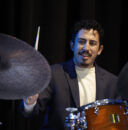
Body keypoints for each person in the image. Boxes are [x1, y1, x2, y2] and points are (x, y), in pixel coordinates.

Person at [21, 20, 119, 130]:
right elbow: (32, 113)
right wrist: (29, 103)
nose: (86, 48)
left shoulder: (113, 82)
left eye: (92, 43)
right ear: (72, 45)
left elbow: (116, 120)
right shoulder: (54, 74)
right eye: (81, 42)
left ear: (100, 49)